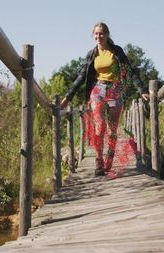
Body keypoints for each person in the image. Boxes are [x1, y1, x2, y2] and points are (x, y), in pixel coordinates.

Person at [61, 22, 149, 176]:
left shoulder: (116, 51)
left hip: (115, 90)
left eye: (101, 33)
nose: (98, 36)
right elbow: (82, 76)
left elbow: (129, 70)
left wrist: (142, 90)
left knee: (112, 129)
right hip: (98, 90)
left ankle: (110, 155)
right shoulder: (92, 54)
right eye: (96, 33)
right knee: (100, 127)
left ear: (107, 35)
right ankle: (98, 161)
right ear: (93, 36)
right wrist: (68, 97)